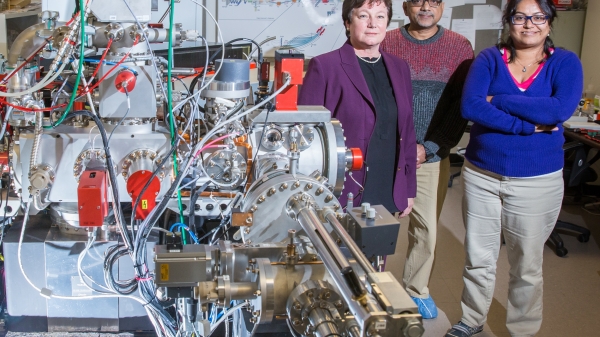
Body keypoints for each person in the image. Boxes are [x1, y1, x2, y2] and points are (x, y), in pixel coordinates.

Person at [446, 0, 583, 336]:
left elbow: (557, 110)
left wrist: (500, 100)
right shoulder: (489, 59)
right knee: (478, 257)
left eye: (538, 17)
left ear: (549, 23)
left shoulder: (565, 62)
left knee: (527, 265)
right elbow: (471, 106)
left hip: (536, 180)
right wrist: (525, 124)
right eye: (520, 16)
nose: (529, 24)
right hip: (482, 175)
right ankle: (472, 320)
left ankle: (522, 330)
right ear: (509, 21)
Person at [380, 0, 473, 319]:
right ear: (405, 6)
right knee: (374, 223)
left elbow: (461, 107)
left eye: (433, 0)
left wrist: (431, 146)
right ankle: (367, 285)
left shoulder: (459, 47)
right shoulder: (387, 41)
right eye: (418, 0)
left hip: (431, 156)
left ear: (442, 6)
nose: (425, 6)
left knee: (426, 230)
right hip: (386, 152)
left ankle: (415, 290)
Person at [298, 0, 417, 218]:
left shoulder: (400, 68)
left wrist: (408, 189)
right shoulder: (325, 67)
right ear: (347, 23)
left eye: (380, 16)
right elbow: (307, 138)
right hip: (342, 191)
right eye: (363, 16)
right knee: (339, 252)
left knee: (380, 250)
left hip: (389, 186)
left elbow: (407, 133)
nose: (373, 24)